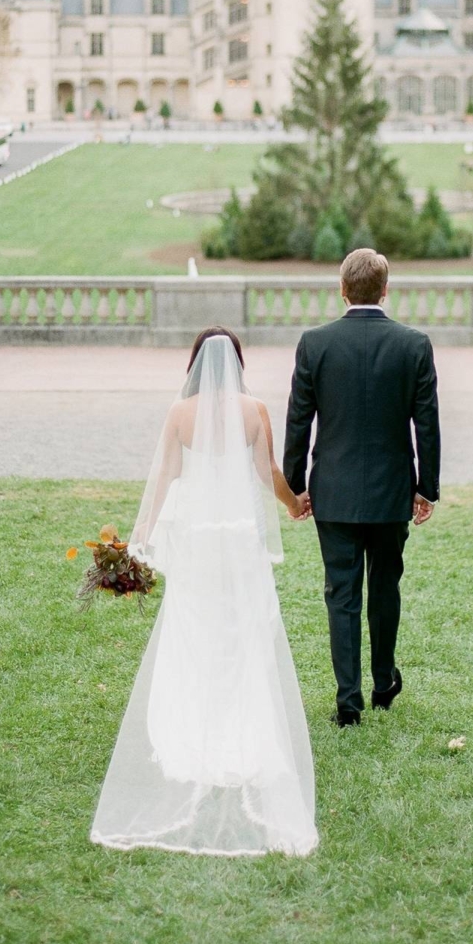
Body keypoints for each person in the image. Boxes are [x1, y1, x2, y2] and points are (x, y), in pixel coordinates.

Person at [90, 328, 318, 857]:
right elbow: (268, 475)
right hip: (238, 539)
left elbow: (166, 477)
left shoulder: (180, 414)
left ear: (194, 364)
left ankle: (190, 728)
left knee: (192, 629)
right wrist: (293, 503)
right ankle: (242, 728)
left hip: (196, 539)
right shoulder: (254, 409)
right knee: (241, 633)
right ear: (237, 363)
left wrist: (138, 537)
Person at [284, 248, 441, 728]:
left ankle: (348, 703)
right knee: (385, 588)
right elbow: (427, 425)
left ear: (342, 289)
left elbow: (299, 421)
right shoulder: (414, 344)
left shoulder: (315, 343)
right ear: (386, 289)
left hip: (332, 490)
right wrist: (425, 488)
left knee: (342, 594)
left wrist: (294, 486)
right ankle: (383, 682)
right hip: (393, 490)